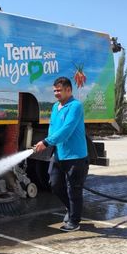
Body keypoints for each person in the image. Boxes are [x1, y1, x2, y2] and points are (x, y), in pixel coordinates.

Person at [33, 76, 89, 232]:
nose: (56, 93)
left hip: (76, 156)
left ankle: (74, 221)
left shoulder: (75, 106)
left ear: (68, 90)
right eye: (55, 91)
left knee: (74, 189)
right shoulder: (55, 107)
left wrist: (46, 142)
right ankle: (71, 209)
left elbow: (67, 130)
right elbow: (53, 128)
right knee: (55, 183)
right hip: (59, 154)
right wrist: (50, 142)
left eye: (59, 90)